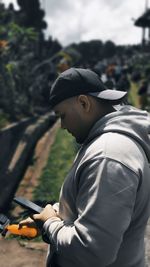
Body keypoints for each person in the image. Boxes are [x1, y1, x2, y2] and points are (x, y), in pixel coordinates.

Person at [19, 68, 150, 267]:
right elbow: (96, 203)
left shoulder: (108, 155)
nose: (62, 125)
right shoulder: (109, 145)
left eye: (62, 115)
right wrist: (54, 214)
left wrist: (50, 224)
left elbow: (91, 252)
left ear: (83, 103)